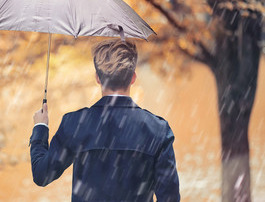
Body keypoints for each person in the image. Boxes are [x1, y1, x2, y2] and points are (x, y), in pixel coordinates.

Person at [29, 39, 180, 202]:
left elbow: (41, 175)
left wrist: (40, 127)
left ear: (98, 78)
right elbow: (170, 198)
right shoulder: (157, 129)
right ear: (133, 78)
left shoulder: (75, 123)